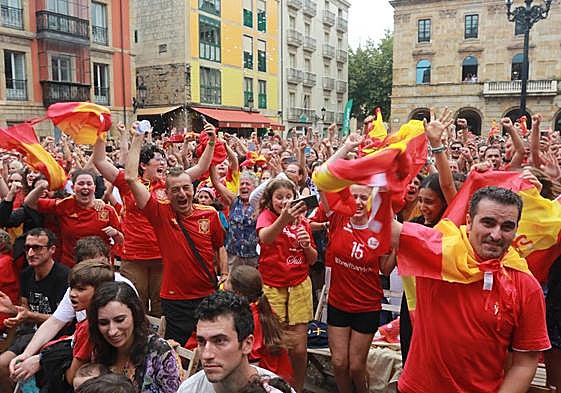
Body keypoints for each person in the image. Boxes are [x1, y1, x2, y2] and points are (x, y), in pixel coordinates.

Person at [392, 187, 551, 392]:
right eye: (488, 222)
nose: (496, 235)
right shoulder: (437, 253)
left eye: (507, 226)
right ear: (469, 221)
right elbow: (380, 226)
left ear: (516, 229)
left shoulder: (526, 286)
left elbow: (525, 362)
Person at [124, 123, 225, 345]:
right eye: (175, 190)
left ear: (194, 189)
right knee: (178, 351)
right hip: (175, 299)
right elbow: (130, 178)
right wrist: (137, 138)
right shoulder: (159, 212)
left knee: (210, 346)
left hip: (207, 294)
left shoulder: (209, 214)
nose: (182, 193)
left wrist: (211, 142)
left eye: (186, 188)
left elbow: (219, 247)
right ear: (166, 194)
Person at [7, 236, 137, 378]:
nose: (97, 271)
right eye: (90, 267)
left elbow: (72, 375)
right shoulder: (78, 288)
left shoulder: (121, 289)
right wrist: (28, 354)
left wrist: (43, 359)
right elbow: (55, 322)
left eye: (100, 265)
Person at [93, 127, 168, 317]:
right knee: (134, 303)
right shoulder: (127, 184)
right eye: (158, 159)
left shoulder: (170, 185)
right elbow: (100, 161)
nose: (163, 163)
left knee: (161, 305)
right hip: (135, 257)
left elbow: (198, 170)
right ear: (143, 165)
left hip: (163, 255)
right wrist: (101, 133)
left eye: (163, 159)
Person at [256, 178, 317, 392]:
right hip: (273, 287)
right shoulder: (266, 217)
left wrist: (307, 245)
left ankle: (297, 389)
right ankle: (276, 388)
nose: (284, 201)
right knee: (276, 347)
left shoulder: (304, 223)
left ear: (296, 197)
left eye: (288, 197)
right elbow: (265, 238)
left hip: (299, 286)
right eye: (279, 197)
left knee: (299, 350)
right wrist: (284, 219)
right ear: (270, 200)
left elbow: (312, 260)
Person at [177, 291, 295, 393]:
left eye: (219, 341)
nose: (206, 355)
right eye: (202, 342)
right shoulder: (189, 389)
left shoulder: (274, 390)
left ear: (247, 344)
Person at [0, 228, 69, 392]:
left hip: (59, 337)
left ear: (52, 250)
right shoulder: (26, 274)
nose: (31, 253)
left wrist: (28, 315)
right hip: (31, 333)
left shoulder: (65, 277)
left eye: (37, 248)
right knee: (2, 365)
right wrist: (13, 311)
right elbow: (26, 309)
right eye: (27, 248)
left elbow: (62, 320)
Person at [88, 281, 181, 392]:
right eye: (103, 323)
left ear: (135, 314)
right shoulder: (100, 348)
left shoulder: (160, 352)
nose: (112, 331)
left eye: (120, 320)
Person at [24, 170, 123, 267]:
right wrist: (42, 187)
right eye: (81, 183)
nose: (85, 187)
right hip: (70, 266)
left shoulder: (107, 210)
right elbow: (29, 202)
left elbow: (122, 241)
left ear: (94, 187)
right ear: (73, 187)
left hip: (98, 267)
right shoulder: (64, 205)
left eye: (89, 184)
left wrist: (116, 233)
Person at [225, 265, 292, 382]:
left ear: (238, 293)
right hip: (277, 377)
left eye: (228, 280)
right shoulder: (260, 308)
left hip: (267, 381)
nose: (224, 283)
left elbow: (253, 363)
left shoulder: (251, 319)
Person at [65, 259, 116, 385]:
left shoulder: (88, 328)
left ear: (100, 292)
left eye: (80, 289)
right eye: (71, 288)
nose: (72, 294)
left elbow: (72, 377)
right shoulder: (89, 321)